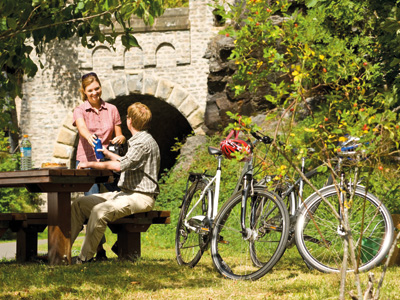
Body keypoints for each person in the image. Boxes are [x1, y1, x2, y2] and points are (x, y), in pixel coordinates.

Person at [71, 102, 160, 264]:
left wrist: (88, 163)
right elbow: (127, 160)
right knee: (79, 204)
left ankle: (84, 259)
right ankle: (60, 252)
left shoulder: (142, 142)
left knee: (99, 211)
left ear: (129, 121)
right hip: (125, 194)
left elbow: (120, 166)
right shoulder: (140, 139)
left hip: (141, 197)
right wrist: (106, 152)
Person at [73, 72, 126, 195]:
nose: (94, 93)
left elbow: (119, 135)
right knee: (92, 200)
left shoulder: (112, 109)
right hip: (86, 161)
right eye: (90, 90)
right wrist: (88, 136)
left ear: (101, 87)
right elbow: (82, 128)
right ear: (84, 92)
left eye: (97, 88)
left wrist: (121, 138)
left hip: (107, 161)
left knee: (121, 194)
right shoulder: (79, 110)